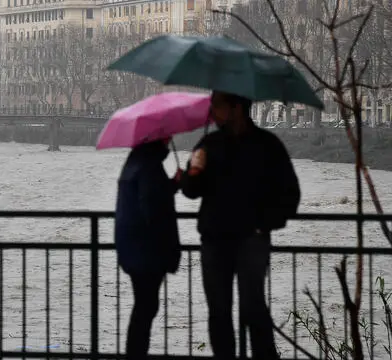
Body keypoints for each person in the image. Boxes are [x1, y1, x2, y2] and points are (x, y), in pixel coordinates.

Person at [179, 91, 301, 360]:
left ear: (236, 108)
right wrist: (194, 172)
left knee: (253, 307)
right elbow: (190, 191)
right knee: (219, 311)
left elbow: (290, 193)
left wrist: (265, 224)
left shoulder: (267, 145)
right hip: (215, 241)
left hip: (251, 240)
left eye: (217, 106)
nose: (212, 112)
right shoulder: (208, 144)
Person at [114, 138, 182, 360]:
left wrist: (173, 184)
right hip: (148, 249)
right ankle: (135, 355)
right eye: (166, 136)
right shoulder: (150, 165)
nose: (170, 138)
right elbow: (152, 204)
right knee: (146, 307)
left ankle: (135, 354)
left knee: (144, 306)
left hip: (133, 246)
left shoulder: (136, 162)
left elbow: (149, 195)